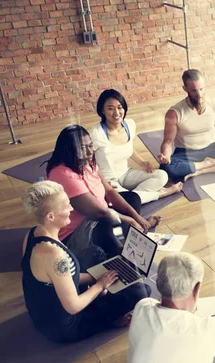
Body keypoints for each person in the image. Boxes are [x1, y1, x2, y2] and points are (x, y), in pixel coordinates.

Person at [20, 180, 151, 343]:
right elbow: (73, 306)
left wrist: (98, 277)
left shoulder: (32, 234)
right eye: (66, 206)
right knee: (140, 292)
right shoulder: (54, 255)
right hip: (66, 327)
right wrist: (99, 285)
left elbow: (59, 277)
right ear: (51, 216)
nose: (71, 209)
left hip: (42, 315)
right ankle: (109, 321)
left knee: (95, 252)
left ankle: (104, 296)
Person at [46, 125, 161, 260]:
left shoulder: (88, 162)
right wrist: (130, 220)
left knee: (132, 198)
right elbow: (98, 213)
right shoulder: (63, 174)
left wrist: (136, 217)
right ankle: (120, 253)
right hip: (74, 234)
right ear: (69, 150)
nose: (89, 152)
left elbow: (109, 191)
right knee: (105, 223)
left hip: (98, 218)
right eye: (82, 148)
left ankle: (131, 233)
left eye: (90, 146)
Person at [91, 89, 183, 204]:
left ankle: (133, 198)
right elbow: (87, 163)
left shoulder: (129, 125)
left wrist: (142, 162)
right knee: (120, 199)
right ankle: (161, 193)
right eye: (110, 108)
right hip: (109, 180)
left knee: (162, 175)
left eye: (119, 107)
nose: (116, 113)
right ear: (102, 110)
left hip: (127, 174)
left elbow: (128, 148)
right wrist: (101, 183)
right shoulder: (96, 134)